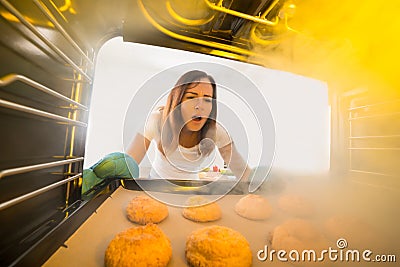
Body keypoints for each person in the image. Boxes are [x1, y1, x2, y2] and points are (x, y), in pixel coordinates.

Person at [126, 70, 251, 181]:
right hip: (156, 187)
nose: (199, 106)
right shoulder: (156, 120)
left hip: (190, 192)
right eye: (191, 97)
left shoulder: (216, 131)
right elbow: (128, 164)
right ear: (178, 101)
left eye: (207, 99)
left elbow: (244, 174)